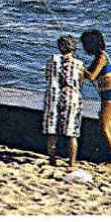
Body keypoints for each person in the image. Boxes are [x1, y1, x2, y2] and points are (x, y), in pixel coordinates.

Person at [79, 29, 111, 166]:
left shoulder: (102, 58)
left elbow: (91, 76)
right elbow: (89, 74)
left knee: (105, 127)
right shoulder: (98, 57)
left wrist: (79, 67)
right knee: (106, 126)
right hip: (107, 94)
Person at [42, 34, 85, 168]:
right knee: (71, 131)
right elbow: (80, 82)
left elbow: (47, 77)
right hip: (71, 97)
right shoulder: (79, 64)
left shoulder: (51, 59)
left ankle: (52, 159)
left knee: (52, 129)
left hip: (53, 95)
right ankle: (72, 162)